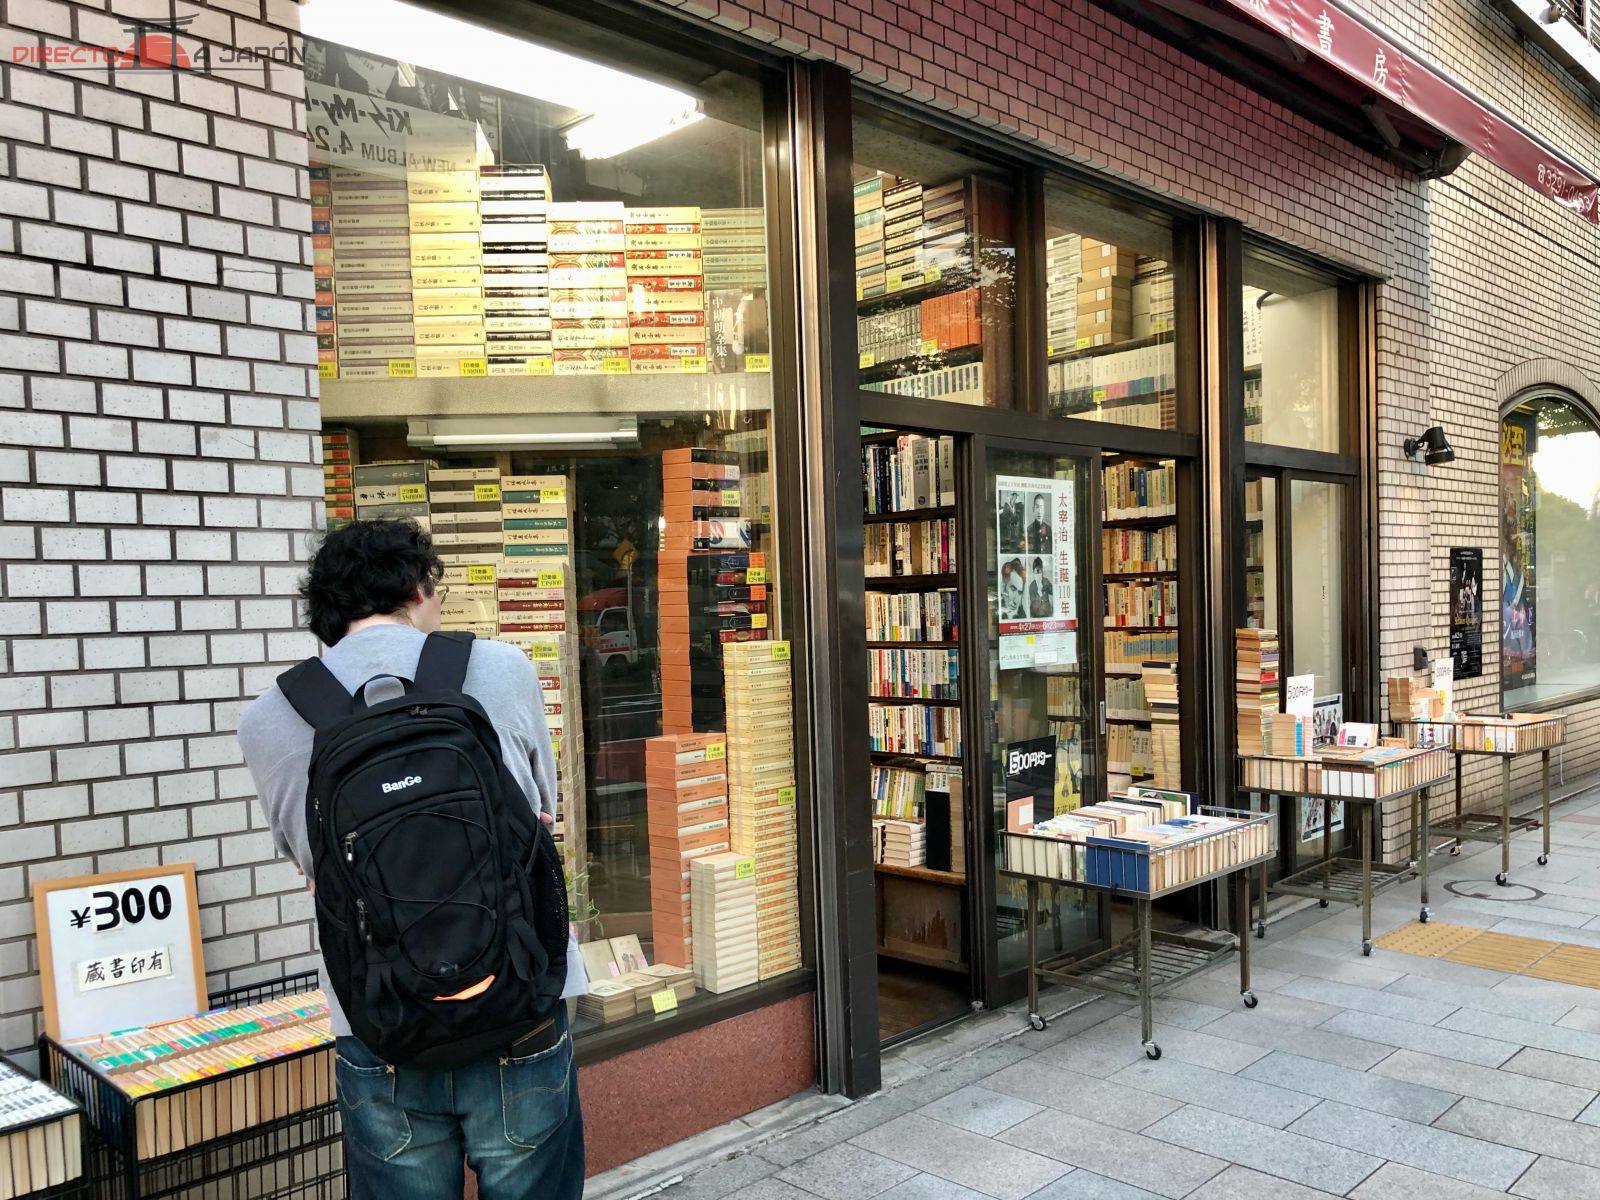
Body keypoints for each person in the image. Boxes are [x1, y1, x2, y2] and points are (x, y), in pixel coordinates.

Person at [238, 520, 587, 1200]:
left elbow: (308, 862)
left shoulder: (268, 717)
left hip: (380, 1017)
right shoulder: (500, 668)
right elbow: (540, 809)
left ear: (326, 613)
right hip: (517, 1000)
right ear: (419, 587)